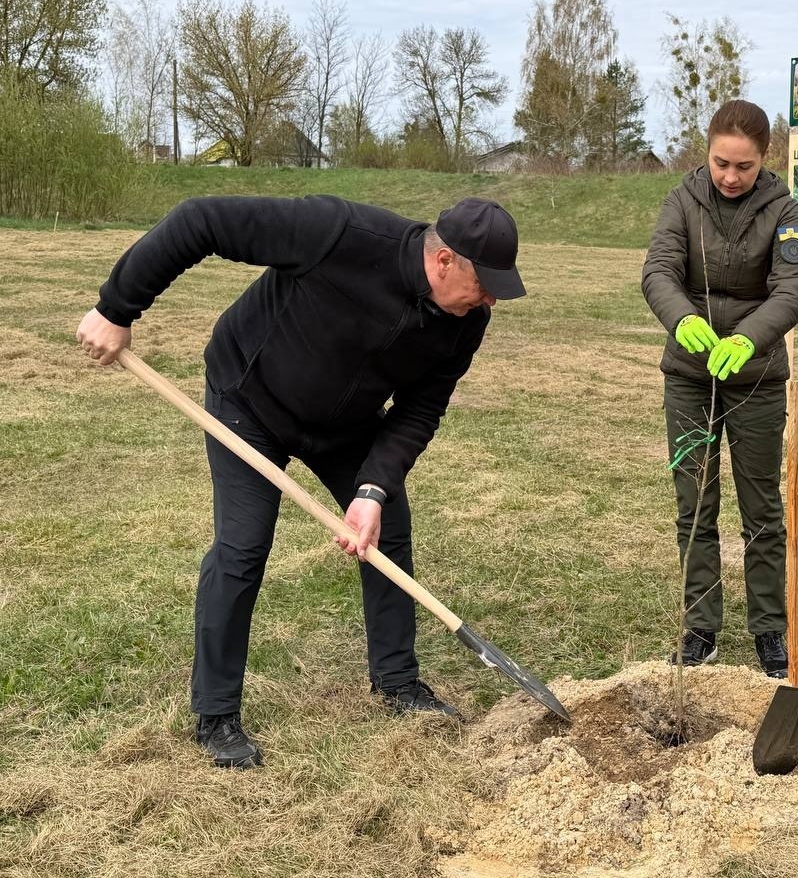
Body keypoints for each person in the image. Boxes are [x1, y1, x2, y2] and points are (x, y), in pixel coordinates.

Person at [76, 195, 525, 769]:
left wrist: (373, 489)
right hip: (249, 401)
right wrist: (117, 309)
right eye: (483, 284)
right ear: (443, 261)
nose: (489, 300)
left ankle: (397, 682)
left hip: (347, 425)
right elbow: (201, 221)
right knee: (243, 546)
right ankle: (216, 714)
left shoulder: (466, 322)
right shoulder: (339, 233)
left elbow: (420, 411)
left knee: (388, 531)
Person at [642, 99, 798, 678]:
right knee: (695, 504)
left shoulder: (785, 210)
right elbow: (659, 271)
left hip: (756, 378)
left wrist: (749, 338)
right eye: (721, 163)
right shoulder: (681, 201)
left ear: (765, 158)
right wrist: (680, 318)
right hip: (689, 377)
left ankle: (769, 629)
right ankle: (700, 627)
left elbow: (793, 288)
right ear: (707, 151)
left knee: (762, 507)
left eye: (744, 166)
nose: (731, 176)